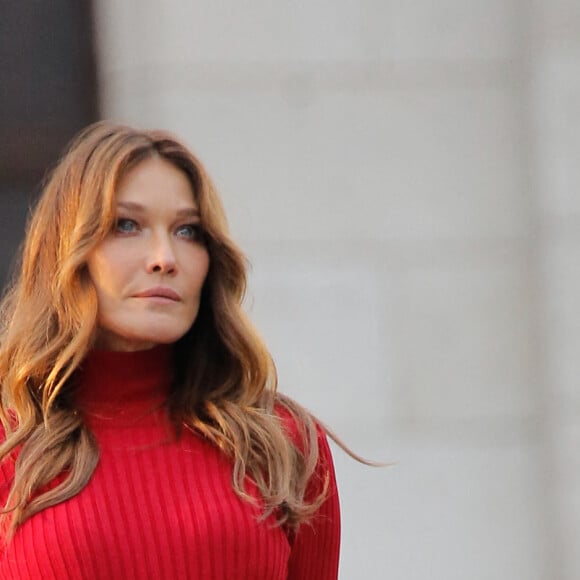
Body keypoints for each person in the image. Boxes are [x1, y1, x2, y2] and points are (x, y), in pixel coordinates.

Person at [0, 122, 343, 579]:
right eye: (127, 225)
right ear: (69, 250)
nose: (164, 257)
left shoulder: (282, 443)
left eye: (187, 231)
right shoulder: (12, 443)